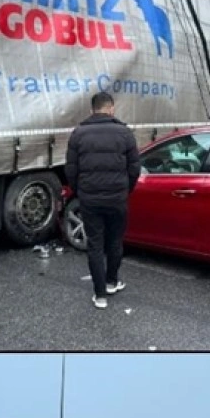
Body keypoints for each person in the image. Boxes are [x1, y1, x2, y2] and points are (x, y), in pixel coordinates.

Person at [64, 92, 141, 310]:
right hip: (117, 198)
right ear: (112, 109)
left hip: (90, 199)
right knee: (115, 241)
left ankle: (100, 296)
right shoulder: (125, 133)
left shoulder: (78, 134)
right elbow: (134, 167)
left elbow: (71, 169)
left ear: (92, 110)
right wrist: (126, 189)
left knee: (95, 245)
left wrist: (80, 192)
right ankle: (111, 282)